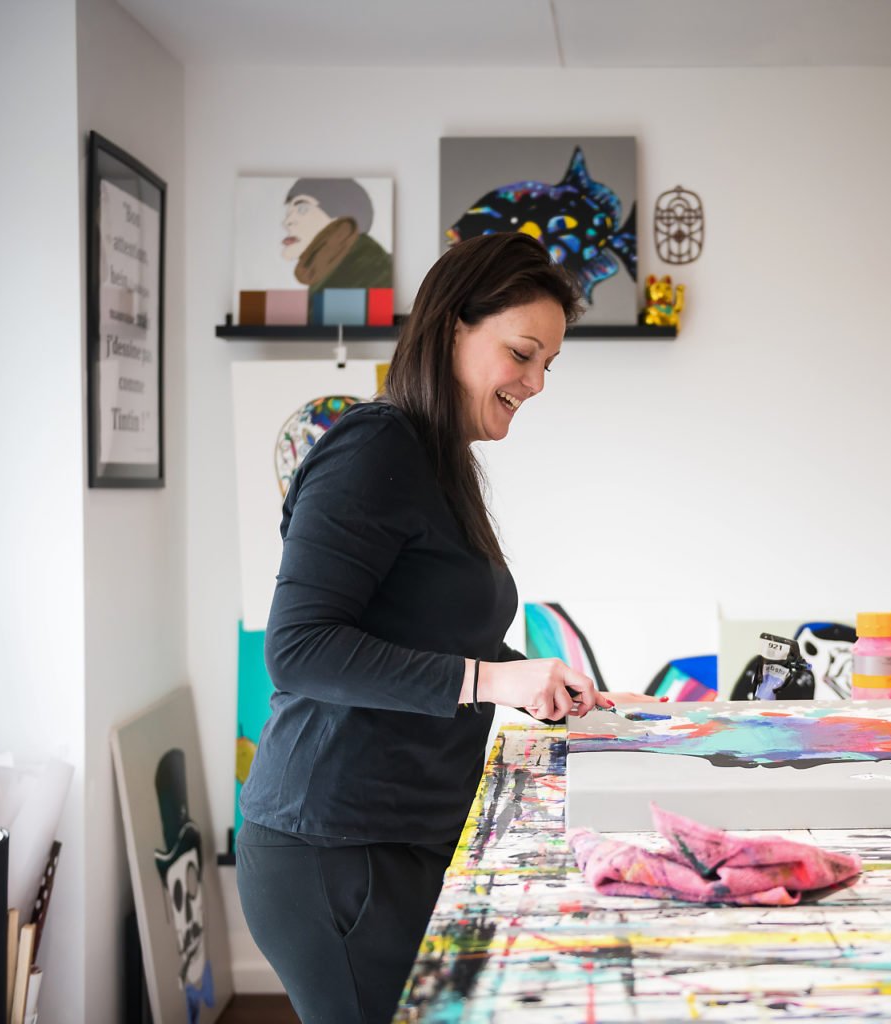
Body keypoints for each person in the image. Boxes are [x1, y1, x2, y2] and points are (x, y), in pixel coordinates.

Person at [236, 232, 611, 1024]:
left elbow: (435, 638)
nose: (537, 382)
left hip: (403, 833)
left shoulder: (442, 464)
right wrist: (494, 680)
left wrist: (547, 686)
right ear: (451, 330)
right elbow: (298, 648)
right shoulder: (374, 447)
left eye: (548, 364)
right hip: (333, 844)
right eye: (522, 353)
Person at [281, 177, 393, 292]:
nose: (287, 222)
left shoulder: (374, 274)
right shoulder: (327, 276)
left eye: (302, 209)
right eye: (289, 213)